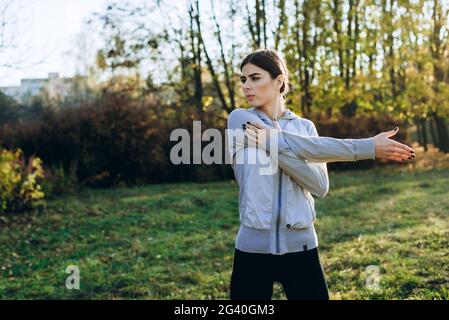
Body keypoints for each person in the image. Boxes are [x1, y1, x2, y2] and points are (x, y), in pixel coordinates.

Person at [226, 49, 415, 300]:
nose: (247, 86)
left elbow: (319, 185)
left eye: (255, 78)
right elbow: (311, 149)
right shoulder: (240, 120)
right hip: (251, 251)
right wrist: (366, 147)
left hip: (302, 250)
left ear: (278, 81)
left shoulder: (305, 127)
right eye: (244, 79)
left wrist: (273, 143)